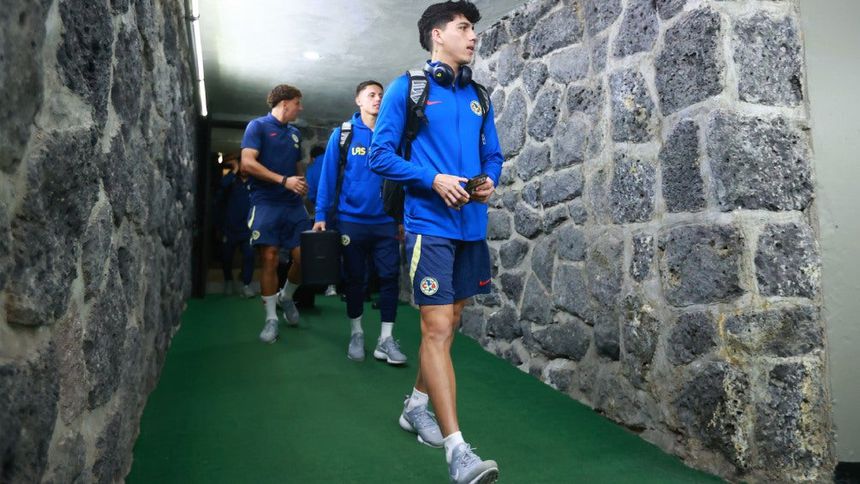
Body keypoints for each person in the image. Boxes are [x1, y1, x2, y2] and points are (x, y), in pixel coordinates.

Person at [368, 2, 503, 483]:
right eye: (464, 28)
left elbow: (493, 154)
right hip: (430, 225)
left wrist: (489, 179)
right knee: (437, 329)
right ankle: (457, 451)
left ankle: (415, 406)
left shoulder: (479, 96)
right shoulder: (408, 88)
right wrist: (432, 178)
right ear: (437, 35)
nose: (473, 36)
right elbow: (379, 156)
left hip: (471, 227)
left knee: (450, 324)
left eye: (473, 29)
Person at [313, 80, 406, 365]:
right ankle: (357, 334)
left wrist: (402, 217)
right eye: (371, 95)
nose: (378, 99)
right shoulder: (343, 134)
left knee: (390, 277)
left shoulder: (393, 133)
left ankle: (386, 340)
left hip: (386, 222)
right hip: (351, 221)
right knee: (355, 280)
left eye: (381, 95)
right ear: (359, 100)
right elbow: (328, 176)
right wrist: (320, 215)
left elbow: (403, 178)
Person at [240, 84, 311, 344]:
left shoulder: (295, 133)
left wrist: (300, 182)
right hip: (266, 202)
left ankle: (286, 296)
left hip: (292, 204)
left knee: (304, 258)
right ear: (284, 103)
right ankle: (271, 319)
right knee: (269, 257)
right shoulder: (257, 126)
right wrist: (283, 180)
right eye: (297, 103)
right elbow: (248, 162)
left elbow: (297, 165)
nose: (300, 108)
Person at [217, 153, 255, 298]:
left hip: (248, 229)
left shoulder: (255, 182)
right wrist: (234, 170)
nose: (244, 168)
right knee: (226, 257)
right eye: (242, 165)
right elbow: (222, 185)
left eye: (247, 165)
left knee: (249, 256)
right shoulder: (232, 180)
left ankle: (246, 284)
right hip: (230, 228)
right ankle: (228, 281)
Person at [304, 145, 338, 297]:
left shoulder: (311, 169)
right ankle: (344, 284)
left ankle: (328, 284)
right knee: (345, 247)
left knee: (326, 248)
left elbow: (311, 193)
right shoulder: (336, 162)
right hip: (343, 210)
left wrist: (319, 209)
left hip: (323, 213)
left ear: (312, 157)